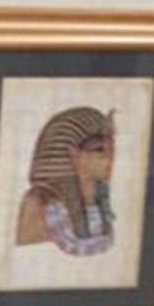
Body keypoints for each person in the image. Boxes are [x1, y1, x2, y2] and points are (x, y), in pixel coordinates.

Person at [15, 106, 118, 256]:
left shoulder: (98, 202)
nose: (109, 158)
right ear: (72, 154)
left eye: (112, 149)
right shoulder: (37, 202)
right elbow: (27, 257)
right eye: (99, 149)